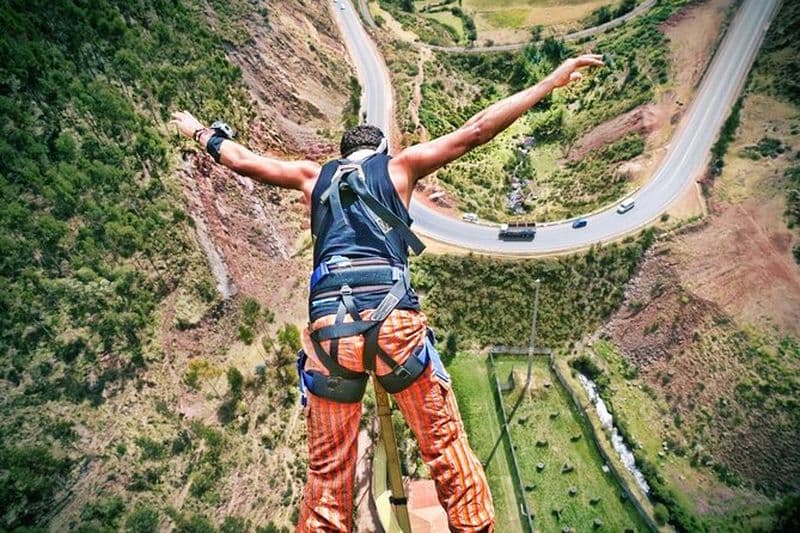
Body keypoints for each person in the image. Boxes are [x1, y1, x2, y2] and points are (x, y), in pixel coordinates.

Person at [171, 53, 603, 532]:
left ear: (342, 153)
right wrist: (551, 80)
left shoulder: (312, 176)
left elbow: (242, 160)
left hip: (331, 331)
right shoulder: (399, 167)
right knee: (443, 445)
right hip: (393, 321)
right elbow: (478, 130)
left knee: (328, 471)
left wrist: (198, 131)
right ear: (379, 150)